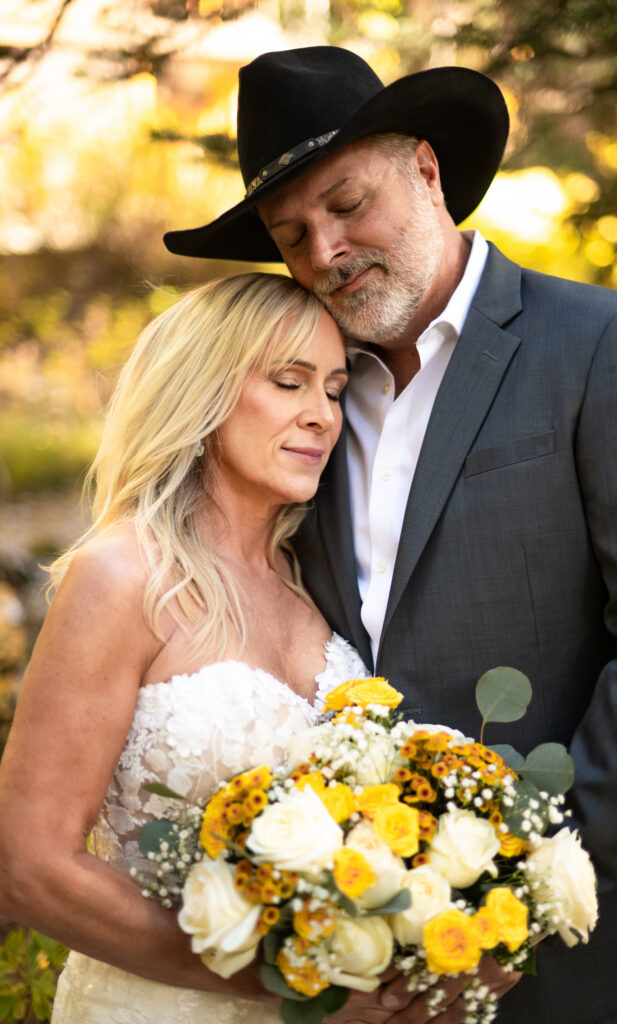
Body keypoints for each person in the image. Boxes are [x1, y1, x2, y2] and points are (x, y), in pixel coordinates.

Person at [163, 46, 617, 1024]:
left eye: (347, 203)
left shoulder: (604, 344)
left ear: (427, 171)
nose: (321, 252)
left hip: (572, 959)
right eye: (291, 234)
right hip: (360, 972)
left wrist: (523, 896)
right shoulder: (298, 399)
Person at [0, 271, 378, 1023]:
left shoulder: (311, 583)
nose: (322, 417)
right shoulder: (121, 576)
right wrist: (285, 980)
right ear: (202, 394)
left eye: (333, 390)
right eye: (288, 382)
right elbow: (28, 865)